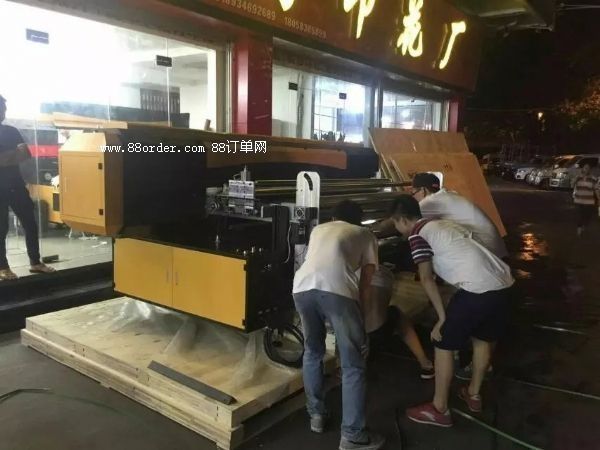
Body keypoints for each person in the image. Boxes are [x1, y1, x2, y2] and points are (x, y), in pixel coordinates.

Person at [388, 195, 514, 427]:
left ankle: (439, 409)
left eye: (395, 223)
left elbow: (426, 278)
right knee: (482, 339)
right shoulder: (442, 224)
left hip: (477, 290)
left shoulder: (417, 234)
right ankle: (473, 395)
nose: (397, 229)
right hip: (503, 285)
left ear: (402, 220)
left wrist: (442, 318)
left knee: (442, 342)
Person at [293, 200, 385, 450]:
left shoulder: (319, 229)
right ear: (359, 219)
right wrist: (362, 326)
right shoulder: (366, 234)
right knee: (353, 364)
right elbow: (365, 285)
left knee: (313, 351)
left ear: (334, 217)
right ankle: (352, 435)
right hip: (338, 292)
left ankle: (316, 415)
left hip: (301, 288)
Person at [376, 173, 508, 259]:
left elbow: (398, 220)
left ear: (423, 190)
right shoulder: (447, 195)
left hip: (487, 252)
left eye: (413, 192)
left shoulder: (431, 201)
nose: (413, 196)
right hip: (494, 249)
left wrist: (373, 229)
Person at [0, 94, 55, 280]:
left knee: (30, 223)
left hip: (16, 185)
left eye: (4, 109)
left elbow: (26, 153)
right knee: (1, 228)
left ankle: (35, 262)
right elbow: (17, 154)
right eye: (1, 108)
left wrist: (6, 157)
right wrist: (13, 154)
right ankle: (3, 267)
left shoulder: (11, 130)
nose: (4, 112)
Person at [364, 265, 434, 379]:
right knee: (396, 314)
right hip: (377, 330)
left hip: (351, 335)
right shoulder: (379, 273)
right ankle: (424, 362)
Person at [572, 163, 598, 237]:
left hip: (589, 201)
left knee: (588, 215)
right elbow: (572, 185)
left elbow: (596, 189)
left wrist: (598, 198)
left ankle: (584, 225)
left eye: (588, 168)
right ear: (582, 169)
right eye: (585, 168)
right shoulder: (578, 177)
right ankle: (579, 230)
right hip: (579, 200)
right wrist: (574, 180)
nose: (586, 169)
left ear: (590, 170)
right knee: (580, 215)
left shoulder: (593, 178)